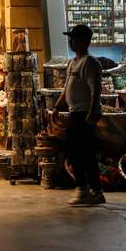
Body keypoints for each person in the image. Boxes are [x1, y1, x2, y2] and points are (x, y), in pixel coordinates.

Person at [51, 24, 104, 206]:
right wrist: (57, 106)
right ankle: (94, 190)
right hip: (75, 113)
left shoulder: (90, 63)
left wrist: (92, 113)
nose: (71, 42)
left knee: (78, 152)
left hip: (84, 114)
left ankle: (85, 189)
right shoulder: (73, 62)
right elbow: (67, 88)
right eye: (70, 39)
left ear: (85, 41)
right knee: (80, 153)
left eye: (74, 39)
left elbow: (96, 90)